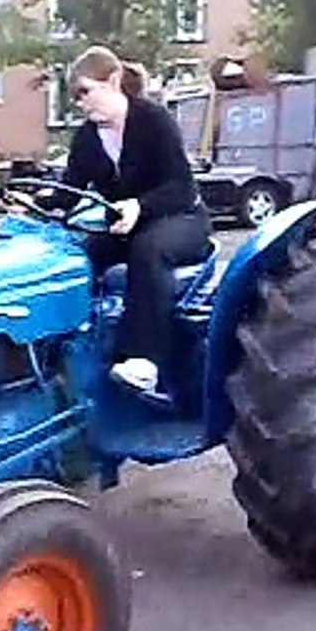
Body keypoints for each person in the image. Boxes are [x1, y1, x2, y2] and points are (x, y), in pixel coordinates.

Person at [39, 46, 211, 393]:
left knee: (150, 249)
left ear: (113, 81)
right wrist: (37, 201)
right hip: (127, 228)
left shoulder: (153, 121)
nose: (79, 102)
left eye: (85, 91)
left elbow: (180, 186)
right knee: (76, 254)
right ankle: (66, 351)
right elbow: (69, 192)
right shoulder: (87, 138)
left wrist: (139, 206)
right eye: (74, 97)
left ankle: (144, 361)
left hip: (182, 219)